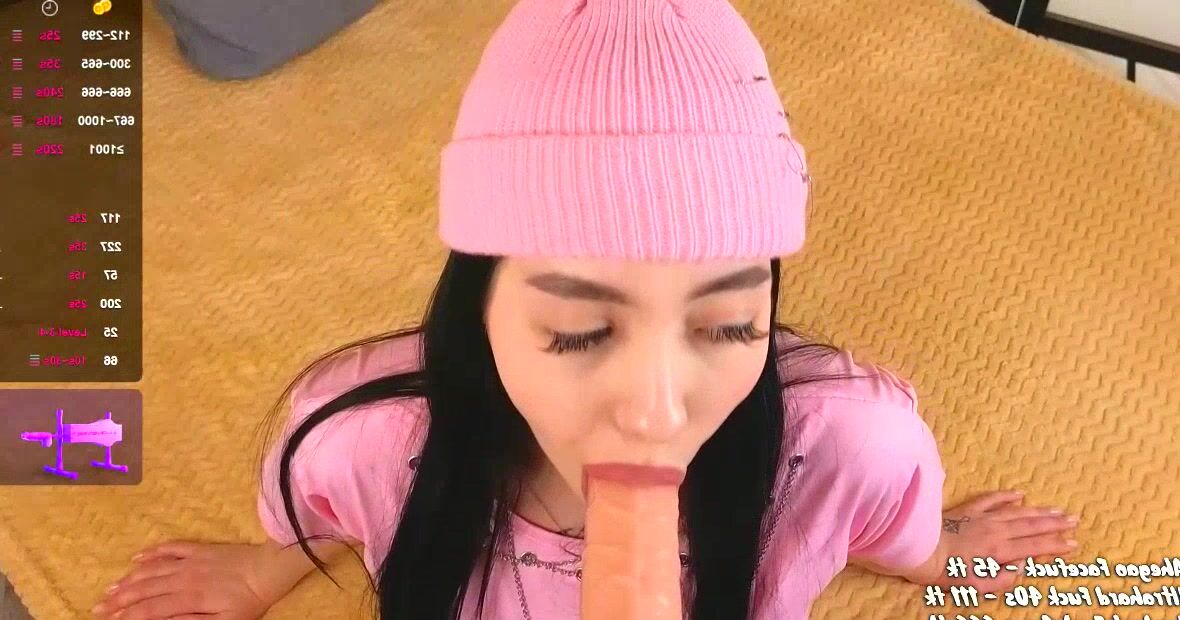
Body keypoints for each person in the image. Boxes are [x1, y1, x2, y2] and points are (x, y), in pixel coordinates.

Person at [94, 0, 1081, 618]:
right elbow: (320, 510)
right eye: (579, 331)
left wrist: (938, 551)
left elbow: (883, 516)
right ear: (480, 304)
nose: (655, 410)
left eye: (729, 324)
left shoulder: (845, 446)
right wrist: (261, 573)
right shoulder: (357, 440)